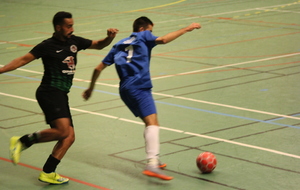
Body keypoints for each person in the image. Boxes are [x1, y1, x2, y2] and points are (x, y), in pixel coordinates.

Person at [0, 11, 118, 184]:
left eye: (72, 25)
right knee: (63, 131)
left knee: (69, 137)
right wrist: (1, 70)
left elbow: (99, 45)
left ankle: (48, 172)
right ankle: (22, 141)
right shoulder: (46, 45)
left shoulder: (75, 41)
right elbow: (22, 60)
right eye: (69, 26)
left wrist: (109, 37)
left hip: (61, 94)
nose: (72, 29)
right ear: (58, 27)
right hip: (49, 92)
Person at [82, 16, 201, 180]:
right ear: (142, 29)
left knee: (150, 122)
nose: (152, 35)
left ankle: (154, 159)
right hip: (139, 86)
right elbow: (164, 40)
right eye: (151, 31)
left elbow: (98, 68)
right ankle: (152, 164)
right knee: (152, 124)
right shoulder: (144, 36)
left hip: (125, 89)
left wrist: (90, 88)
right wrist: (186, 29)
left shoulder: (118, 44)